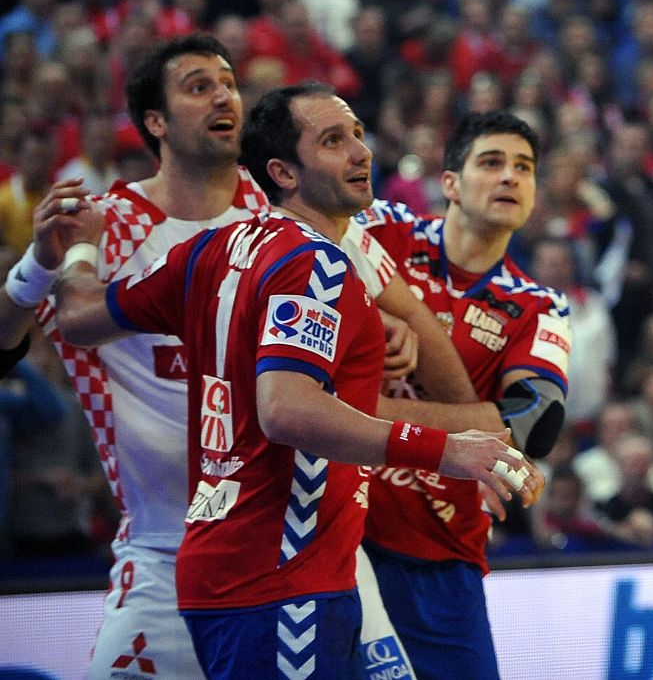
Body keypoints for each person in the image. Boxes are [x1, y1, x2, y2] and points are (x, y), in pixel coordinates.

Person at [1, 36, 483, 680]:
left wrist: (436, 382)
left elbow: (413, 319)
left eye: (228, 81)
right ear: (155, 122)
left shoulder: (299, 216)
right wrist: (45, 261)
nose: (224, 94)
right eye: (199, 85)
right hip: (167, 550)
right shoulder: (105, 223)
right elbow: (71, 323)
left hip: (310, 546)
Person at [354, 110, 573, 680]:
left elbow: (528, 428)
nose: (509, 177)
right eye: (492, 162)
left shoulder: (539, 305)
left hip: (441, 545)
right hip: (339, 525)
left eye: (523, 168)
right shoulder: (382, 230)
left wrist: (367, 413)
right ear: (449, 182)